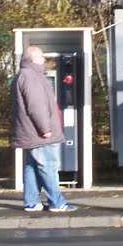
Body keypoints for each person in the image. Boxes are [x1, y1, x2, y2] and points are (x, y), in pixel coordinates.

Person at [11, 44, 77, 213]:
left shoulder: (25, 75)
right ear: (32, 59)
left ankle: (32, 201)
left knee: (32, 167)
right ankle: (57, 202)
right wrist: (45, 128)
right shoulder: (32, 76)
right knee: (48, 166)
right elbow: (36, 106)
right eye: (41, 56)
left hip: (30, 133)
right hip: (39, 133)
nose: (44, 60)